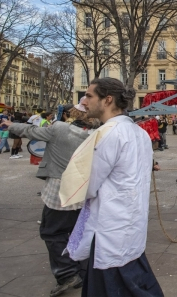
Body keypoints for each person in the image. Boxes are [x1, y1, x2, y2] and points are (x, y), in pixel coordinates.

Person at [64, 78, 163, 297]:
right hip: (130, 222)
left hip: (110, 226)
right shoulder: (140, 133)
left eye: (89, 96)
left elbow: (88, 184)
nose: (84, 101)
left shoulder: (107, 134)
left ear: (107, 100)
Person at [5, 100, 97, 296]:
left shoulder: (60, 129)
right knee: (78, 231)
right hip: (83, 192)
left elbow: (31, 132)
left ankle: (66, 273)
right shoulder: (96, 134)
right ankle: (82, 270)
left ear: (70, 114)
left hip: (59, 191)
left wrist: (10, 124)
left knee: (52, 232)